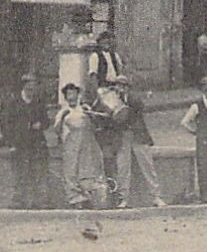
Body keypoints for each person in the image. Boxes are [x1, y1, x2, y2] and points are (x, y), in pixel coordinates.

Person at [111, 76, 165, 208]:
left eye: (124, 86)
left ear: (128, 88)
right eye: (118, 86)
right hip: (123, 136)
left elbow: (139, 106)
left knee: (147, 165)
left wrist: (124, 101)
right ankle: (123, 198)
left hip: (137, 134)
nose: (121, 88)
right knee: (123, 167)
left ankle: (156, 196)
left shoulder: (133, 99)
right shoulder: (112, 100)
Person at [52, 83, 106, 209]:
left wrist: (91, 117)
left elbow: (95, 125)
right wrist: (61, 120)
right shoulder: (63, 112)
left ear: (78, 95)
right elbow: (56, 130)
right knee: (71, 169)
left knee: (87, 168)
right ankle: (75, 199)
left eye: (73, 93)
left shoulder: (85, 108)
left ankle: (89, 197)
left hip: (87, 143)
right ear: (65, 97)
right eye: (69, 94)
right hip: (70, 143)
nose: (71, 97)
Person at [2, 73, 51, 209]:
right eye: (29, 88)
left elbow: (46, 121)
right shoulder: (14, 103)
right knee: (20, 173)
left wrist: (40, 125)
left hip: (36, 143)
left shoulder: (38, 103)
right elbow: (7, 124)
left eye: (34, 88)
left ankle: (37, 201)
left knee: (37, 172)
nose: (31, 91)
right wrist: (11, 143)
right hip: (20, 143)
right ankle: (18, 200)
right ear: (23, 87)